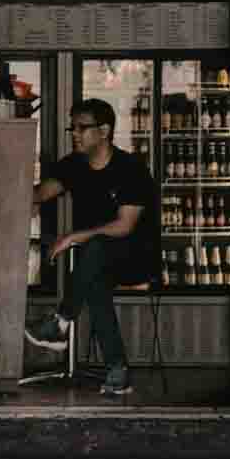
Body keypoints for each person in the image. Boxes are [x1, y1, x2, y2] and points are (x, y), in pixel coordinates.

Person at [26, 98, 158, 396]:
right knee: (94, 273)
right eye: (72, 127)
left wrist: (73, 237)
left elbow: (124, 226)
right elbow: (41, 194)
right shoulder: (74, 164)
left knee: (95, 249)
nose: (74, 133)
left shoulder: (131, 169)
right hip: (95, 261)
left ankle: (60, 320)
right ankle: (117, 371)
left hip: (135, 258)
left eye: (82, 128)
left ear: (105, 131)